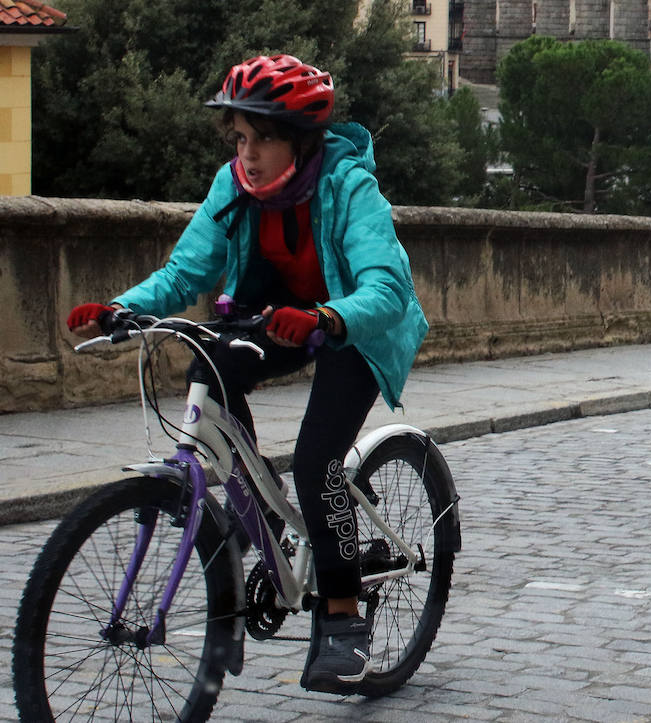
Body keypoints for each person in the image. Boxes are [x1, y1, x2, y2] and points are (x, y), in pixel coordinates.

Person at [66, 54, 429, 694]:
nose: (249, 152)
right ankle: (254, 518)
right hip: (272, 317)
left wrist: (328, 316)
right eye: (240, 137)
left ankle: (342, 618)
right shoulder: (232, 187)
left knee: (318, 464)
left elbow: (386, 286)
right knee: (211, 368)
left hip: (355, 328)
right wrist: (124, 308)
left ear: (300, 140)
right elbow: (186, 273)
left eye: (263, 137)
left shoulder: (349, 187)